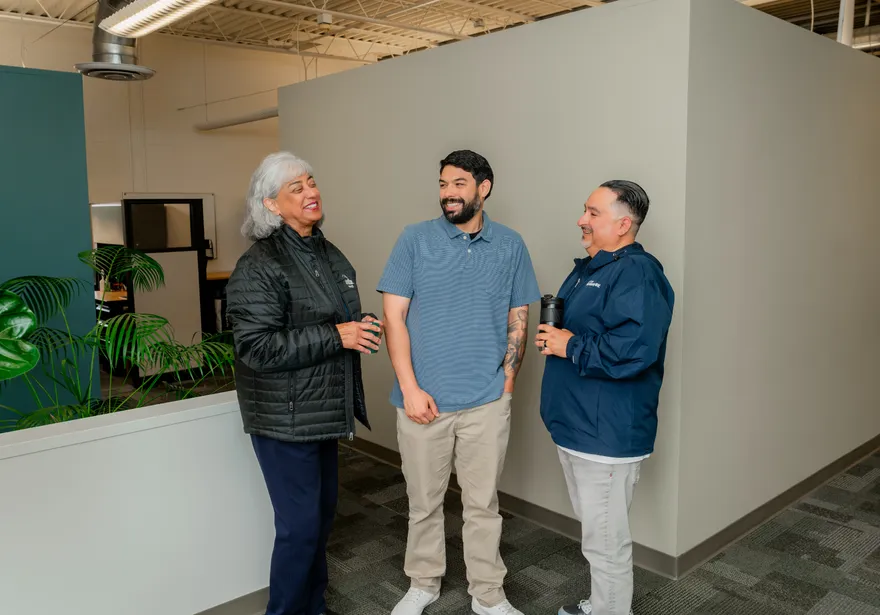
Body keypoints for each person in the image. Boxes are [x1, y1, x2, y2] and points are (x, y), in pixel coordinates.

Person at [378, 150, 541, 615]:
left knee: (483, 506)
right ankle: (423, 583)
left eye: (459, 183)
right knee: (423, 503)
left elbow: (519, 316)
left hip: (486, 401)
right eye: (443, 184)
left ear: (483, 188)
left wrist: (506, 385)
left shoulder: (511, 245)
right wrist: (410, 388)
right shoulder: (414, 240)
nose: (448, 193)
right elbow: (394, 316)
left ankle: (488, 595)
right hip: (422, 401)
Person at [226, 151, 384, 615]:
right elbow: (256, 347)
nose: (311, 192)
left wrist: (360, 325)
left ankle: (312, 608)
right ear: (271, 205)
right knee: (299, 529)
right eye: (296, 188)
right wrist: (339, 335)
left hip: (321, 411)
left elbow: (334, 319)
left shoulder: (325, 251)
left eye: (310, 181)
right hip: (284, 417)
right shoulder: (259, 265)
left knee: (318, 520)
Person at [535, 181, 674, 615]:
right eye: (585, 211)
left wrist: (569, 345)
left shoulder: (639, 273)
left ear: (623, 223)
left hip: (606, 435)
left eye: (593, 213)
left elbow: (637, 349)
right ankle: (602, 606)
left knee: (606, 542)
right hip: (576, 427)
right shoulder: (591, 268)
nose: (582, 219)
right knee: (597, 535)